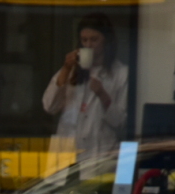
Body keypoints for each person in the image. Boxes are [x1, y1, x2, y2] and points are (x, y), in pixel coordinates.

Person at [42, 13, 128, 159]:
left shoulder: (121, 73)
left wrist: (102, 94)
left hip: (98, 153)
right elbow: (49, 106)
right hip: (65, 152)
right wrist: (66, 69)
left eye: (94, 40)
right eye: (84, 40)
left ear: (106, 40)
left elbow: (120, 122)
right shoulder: (70, 69)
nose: (88, 45)